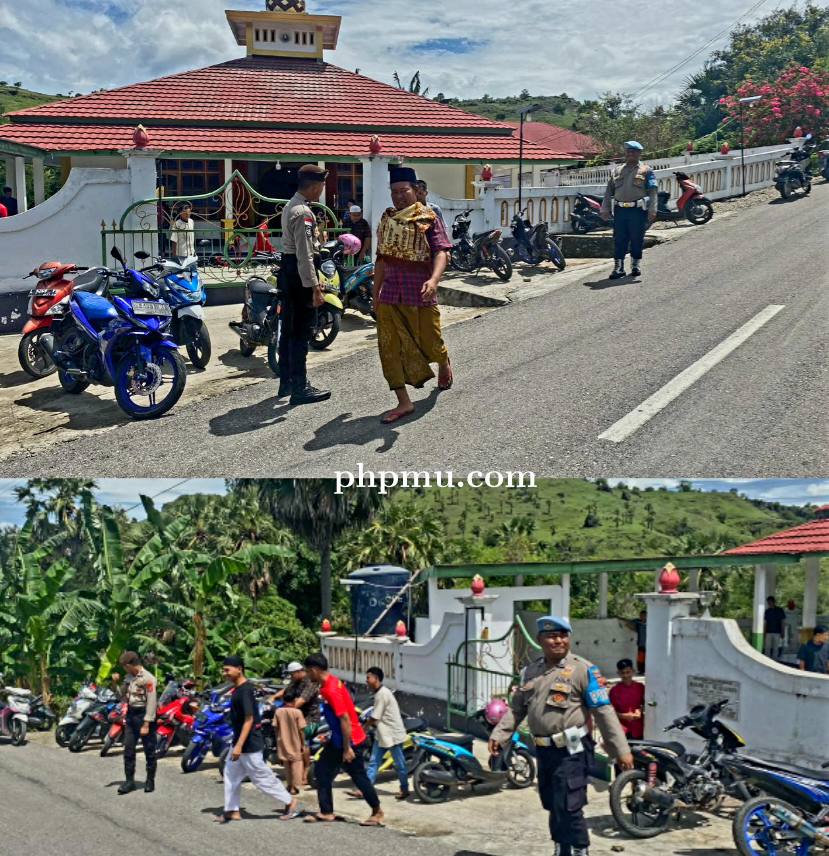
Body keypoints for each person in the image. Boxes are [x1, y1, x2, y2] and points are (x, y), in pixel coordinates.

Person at [489, 616, 632, 856]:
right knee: (552, 802)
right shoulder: (531, 672)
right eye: (552, 636)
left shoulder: (583, 670)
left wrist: (621, 750)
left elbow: (603, 711)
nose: (558, 641)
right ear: (540, 640)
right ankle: (561, 845)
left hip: (573, 749)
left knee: (570, 804)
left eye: (563, 636)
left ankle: (579, 848)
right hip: (544, 750)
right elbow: (517, 708)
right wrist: (500, 734)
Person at [373, 166, 453, 425]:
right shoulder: (387, 220)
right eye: (394, 192)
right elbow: (381, 260)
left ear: (415, 190)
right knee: (389, 349)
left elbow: (442, 251)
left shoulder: (428, 217)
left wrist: (434, 279)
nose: (398, 196)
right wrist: (375, 295)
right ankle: (404, 402)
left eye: (403, 191)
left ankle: (443, 361)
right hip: (391, 296)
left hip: (420, 292)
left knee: (431, 342)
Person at [215, 655, 300, 823]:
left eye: (227, 670)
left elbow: (249, 719)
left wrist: (239, 745)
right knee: (230, 774)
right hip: (240, 742)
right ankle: (232, 810)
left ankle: (290, 802)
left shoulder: (245, 691)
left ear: (239, 669)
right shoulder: (238, 689)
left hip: (248, 744)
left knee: (260, 777)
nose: (225, 673)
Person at [302, 653, 384, 826]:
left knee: (358, 776)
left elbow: (345, 719)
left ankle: (377, 812)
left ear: (314, 671)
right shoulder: (331, 682)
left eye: (308, 672)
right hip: (339, 740)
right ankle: (326, 812)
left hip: (350, 741)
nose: (307, 676)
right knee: (322, 771)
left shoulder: (331, 690)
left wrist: (347, 748)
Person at [278, 163, 331, 406]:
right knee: (300, 331)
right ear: (317, 186)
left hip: (289, 270)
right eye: (321, 185)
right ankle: (300, 387)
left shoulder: (292, 205)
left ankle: (287, 382)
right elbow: (305, 254)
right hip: (300, 274)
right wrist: (315, 287)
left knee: (288, 329)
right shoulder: (304, 213)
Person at [347, 667, 409, 801]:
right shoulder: (379, 693)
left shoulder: (382, 694)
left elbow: (375, 716)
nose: (367, 681)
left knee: (400, 764)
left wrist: (364, 728)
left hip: (392, 734)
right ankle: (366, 789)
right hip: (383, 733)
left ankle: (404, 788)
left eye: (368, 678)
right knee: (374, 762)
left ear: (376, 678)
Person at [600, 141, 658, 280]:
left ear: (639, 153)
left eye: (633, 151)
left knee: (637, 238)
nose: (630, 154)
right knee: (619, 239)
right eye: (628, 152)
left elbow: (653, 191)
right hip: (620, 210)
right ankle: (618, 267)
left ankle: (635, 264)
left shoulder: (647, 170)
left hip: (637, 210)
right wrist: (605, 208)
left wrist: (653, 209)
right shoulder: (617, 171)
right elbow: (609, 192)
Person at [111, 651, 158, 795]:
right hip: (131, 715)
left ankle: (150, 780)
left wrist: (146, 724)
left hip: (144, 716)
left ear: (129, 665)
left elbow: (151, 702)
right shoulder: (128, 678)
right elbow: (121, 696)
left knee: (149, 750)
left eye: (124, 666)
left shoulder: (148, 678)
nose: (124, 669)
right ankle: (129, 781)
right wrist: (114, 683)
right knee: (128, 750)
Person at [273, 661, 320, 792]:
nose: (291, 677)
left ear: (299, 671)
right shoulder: (295, 682)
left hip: (309, 719)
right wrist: (272, 698)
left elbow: (298, 703)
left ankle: (305, 769)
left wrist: (284, 706)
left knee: (299, 739)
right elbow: (286, 691)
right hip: (294, 717)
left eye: (292, 674)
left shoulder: (310, 683)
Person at [609, 659, 645, 741]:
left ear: (633, 671)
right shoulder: (615, 691)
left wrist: (639, 710)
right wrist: (624, 716)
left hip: (639, 727)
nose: (625, 676)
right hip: (622, 729)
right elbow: (611, 711)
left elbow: (646, 704)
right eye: (623, 673)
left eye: (628, 672)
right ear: (618, 673)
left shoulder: (640, 687)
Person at [623, 610, 647, 675]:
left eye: (644, 616)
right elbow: (628, 622)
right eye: (641, 616)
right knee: (640, 658)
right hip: (641, 643)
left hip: (649, 644)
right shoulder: (638, 622)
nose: (642, 617)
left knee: (648, 658)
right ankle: (641, 671)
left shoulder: (650, 623)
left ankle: (647, 670)